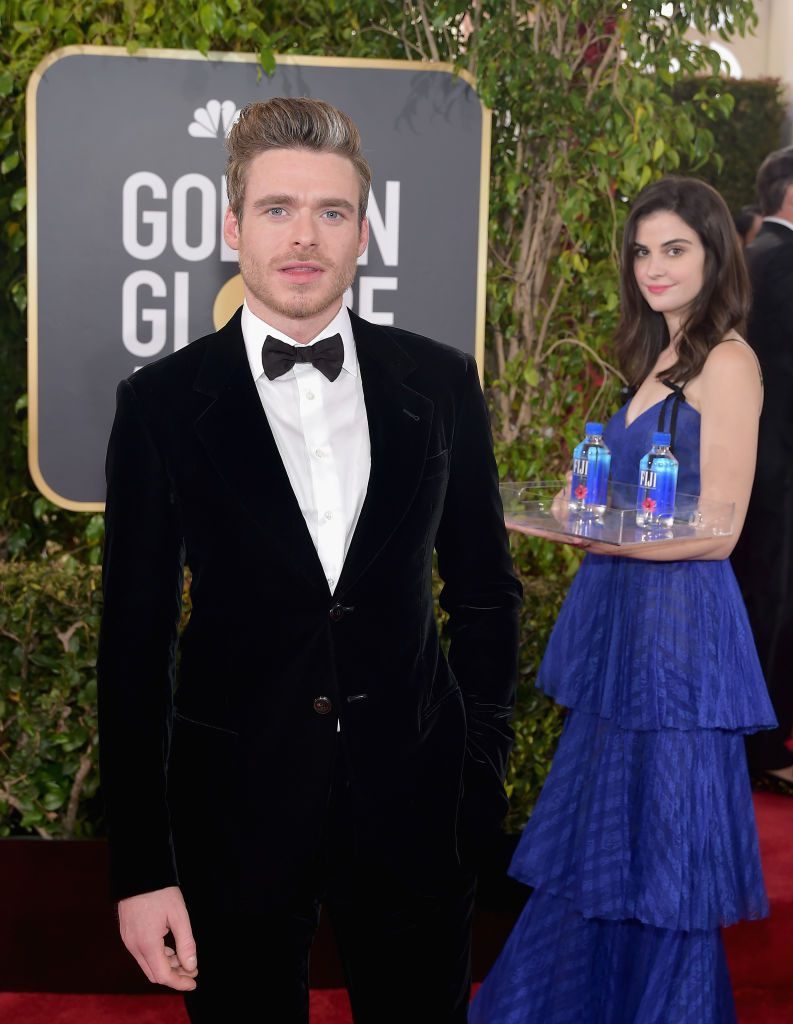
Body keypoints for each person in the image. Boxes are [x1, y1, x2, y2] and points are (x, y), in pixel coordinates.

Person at [97, 96, 522, 1024]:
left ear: (362, 233)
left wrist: (476, 776)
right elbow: (132, 649)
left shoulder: (440, 382)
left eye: (330, 211)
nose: (303, 236)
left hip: (418, 814)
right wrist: (142, 869)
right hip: (231, 822)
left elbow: (486, 595)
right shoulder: (160, 404)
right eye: (277, 209)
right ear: (232, 228)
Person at [470, 177, 775, 1024]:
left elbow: (718, 529)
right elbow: (629, 494)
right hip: (623, 620)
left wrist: (598, 539)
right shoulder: (659, 358)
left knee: (663, 848)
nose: (652, 267)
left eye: (673, 249)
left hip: (677, 630)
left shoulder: (727, 362)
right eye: (641, 251)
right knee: (602, 840)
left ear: (715, 256)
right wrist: (567, 507)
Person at [731, 145, 793, 785]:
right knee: (772, 597)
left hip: (753, 457)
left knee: (758, 592)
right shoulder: (785, 259)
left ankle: (754, 737)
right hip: (779, 461)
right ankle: (764, 744)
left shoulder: (752, 257)